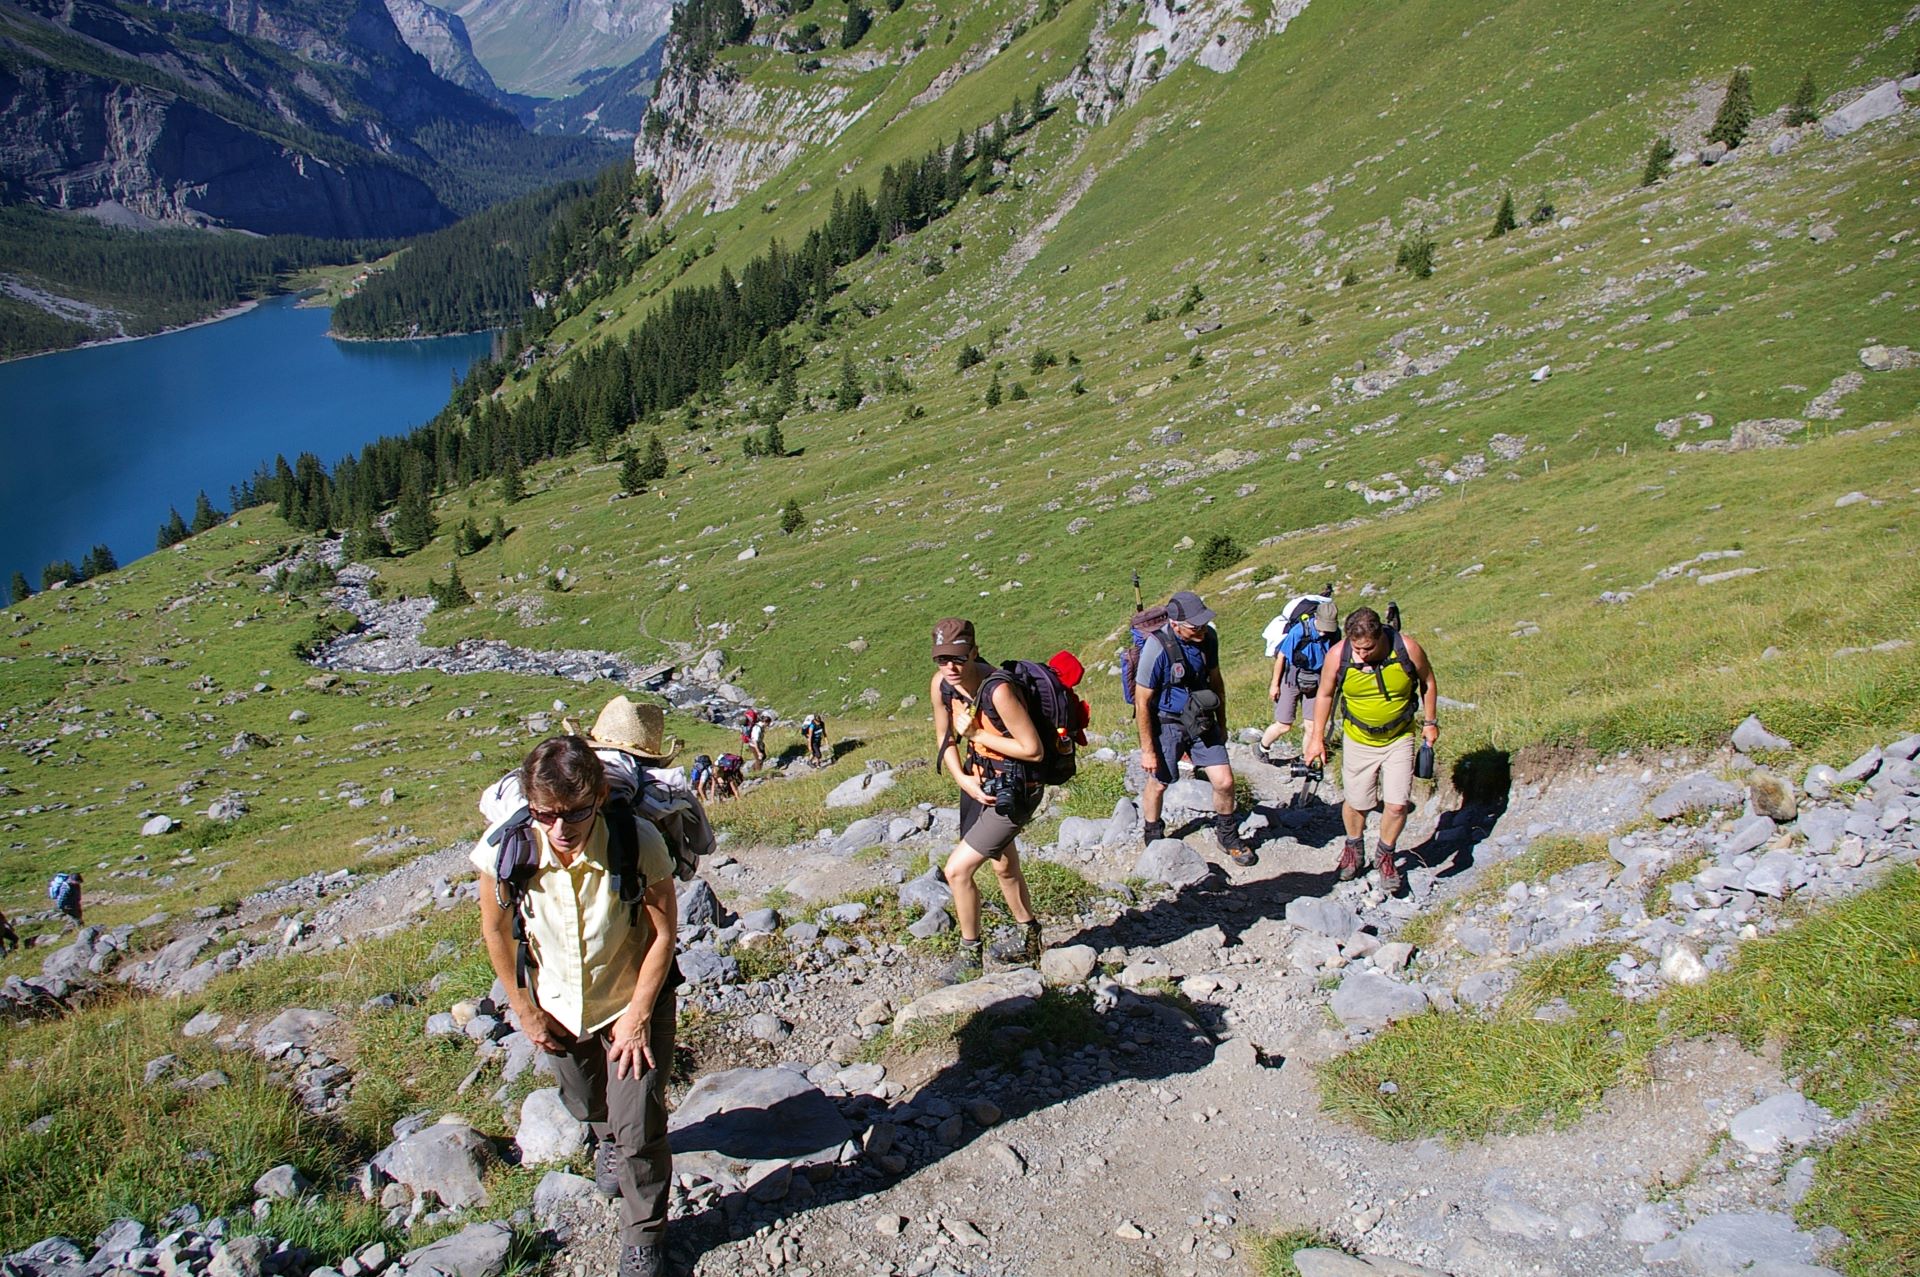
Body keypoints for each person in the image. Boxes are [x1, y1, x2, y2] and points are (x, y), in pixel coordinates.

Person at [474, 735, 679, 1277]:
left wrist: (638, 1017)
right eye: (546, 814)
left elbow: (663, 934)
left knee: (640, 1127)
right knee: (586, 1100)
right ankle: (606, 1136)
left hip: (631, 1002)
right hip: (556, 1002)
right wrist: (523, 1007)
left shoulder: (637, 840)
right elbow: (494, 929)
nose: (561, 829)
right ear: (530, 803)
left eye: (576, 813)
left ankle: (643, 1237)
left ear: (598, 794)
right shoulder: (509, 847)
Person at [928, 618, 1046, 981]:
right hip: (977, 784)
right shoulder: (942, 686)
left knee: (957, 870)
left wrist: (978, 732)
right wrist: (963, 779)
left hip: (1014, 790)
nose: (950, 667)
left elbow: (1033, 750)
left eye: (958, 659)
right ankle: (1030, 936)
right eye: (942, 658)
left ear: (974, 652)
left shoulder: (998, 691)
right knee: (1003, 865)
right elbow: (944, 737)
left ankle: (969, 955)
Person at [1301, 606, 1440, 895]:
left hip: (1399, 736)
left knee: (1398, 803)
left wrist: (1430, 722)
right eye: (1357, 648)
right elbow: (1325, 694)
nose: (1362, 654)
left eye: (1368, 648)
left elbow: (1427, 681)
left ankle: (1386, 855)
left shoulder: (1407, 649)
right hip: (1358, 737)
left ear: (1381, 637)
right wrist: (1317, 739)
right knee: (1357, 801)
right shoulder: (1337, 656)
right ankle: (1354, 845)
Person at [1135, 591, 1255, 867]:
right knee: (1159, 783)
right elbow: (1142, 702)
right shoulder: (1157, 648)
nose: (1200, 629)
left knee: (1224, 781)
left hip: (1201, 718)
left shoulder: (1208, 639)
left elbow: (1216, 680)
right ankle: (1153, 834)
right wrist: (1148, 750)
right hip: (1167, 722)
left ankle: (1227, 835)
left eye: (1202, 623)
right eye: (1194, 626)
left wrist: (1222, 723)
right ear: (1175, 625)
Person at [1261, 595, 1339, 761]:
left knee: (1312, 726)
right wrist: (1274, 685)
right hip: (1292, 679)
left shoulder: (1334, 634)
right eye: (1323, 627)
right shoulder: (1299, 631)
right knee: (1284, 725)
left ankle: (1307, 761)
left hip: (1317, 680)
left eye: (1329, 628)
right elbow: (1282, 656)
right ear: (1316, 618)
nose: (1325, 632)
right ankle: (1262, 748)